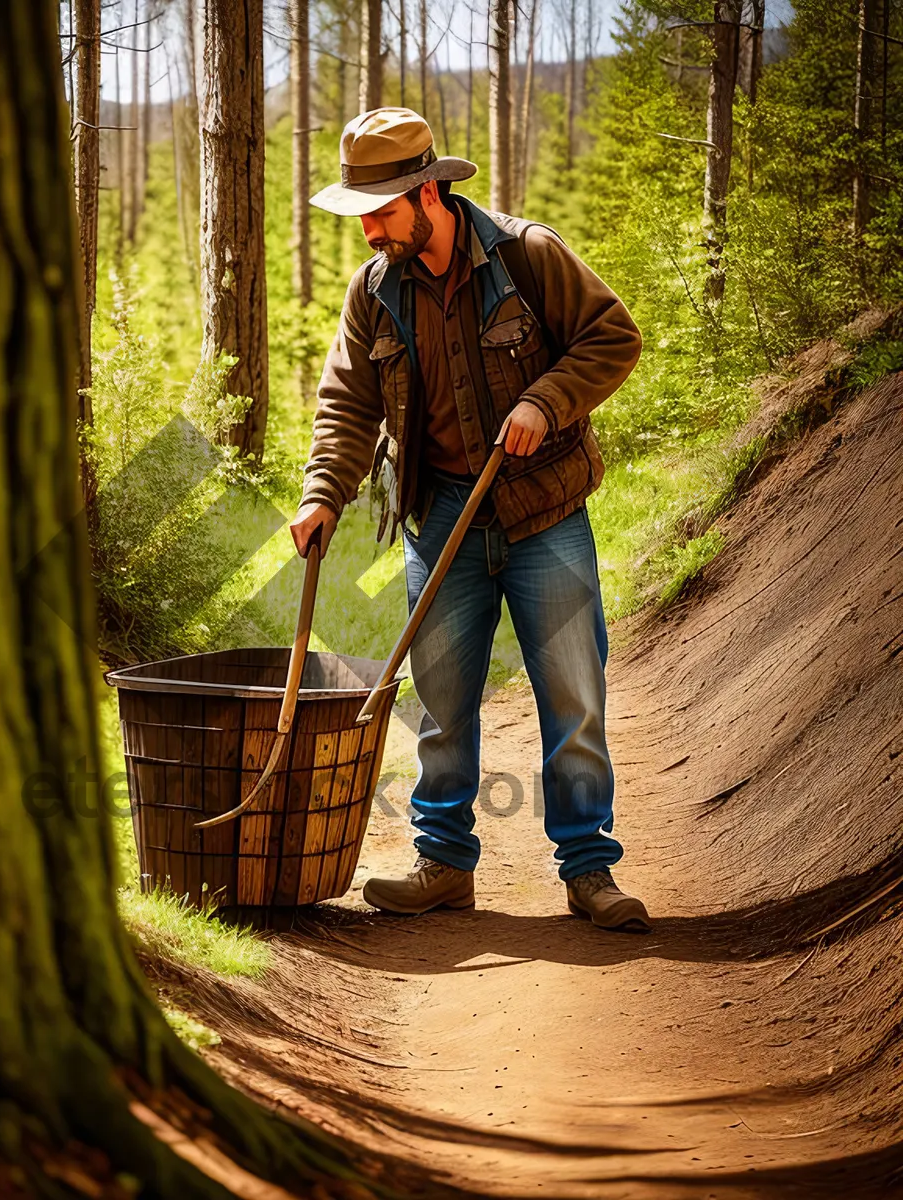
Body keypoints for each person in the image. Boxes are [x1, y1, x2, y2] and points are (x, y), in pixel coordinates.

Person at [290, 107, 650, 932]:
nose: (370, 232)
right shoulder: (375, 291)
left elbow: (611, 338)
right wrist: (322, 494)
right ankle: (444, 865)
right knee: (441, 701)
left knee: (573, 696)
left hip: (542, 512)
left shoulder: (529, 256)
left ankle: (590, 871)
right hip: (440, 510)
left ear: (428, 194)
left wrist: (546, 400)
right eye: (361, 216)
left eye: (382, 213)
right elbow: (347, 405)